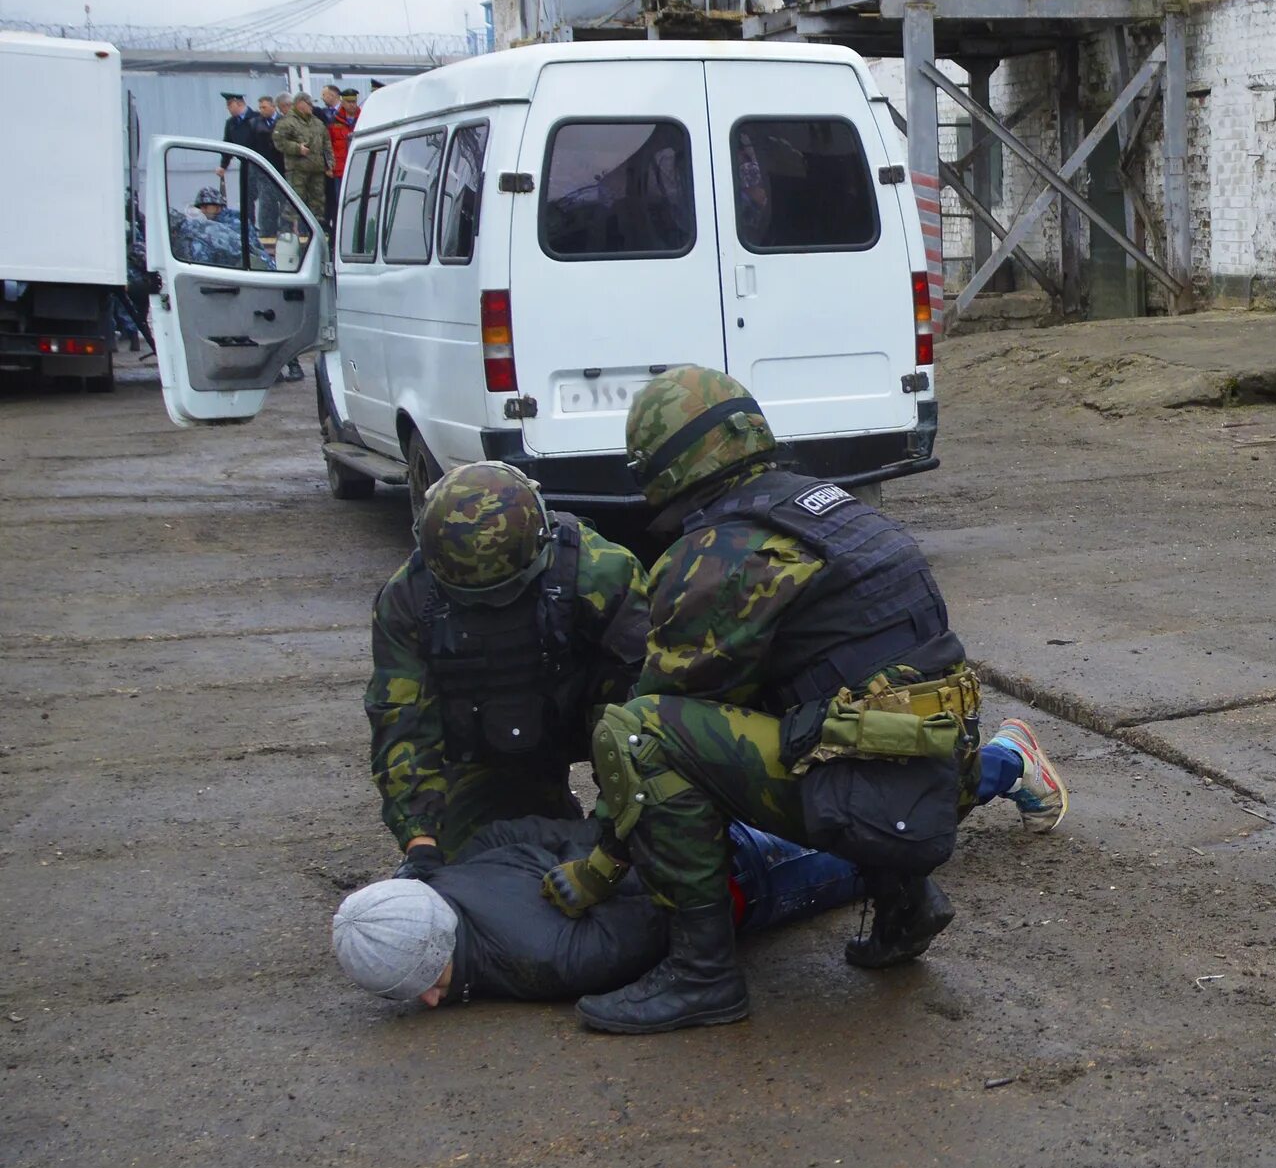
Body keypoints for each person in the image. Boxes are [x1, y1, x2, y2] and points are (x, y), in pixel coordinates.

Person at [545, 367, 1065, 1034]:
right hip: (942, 780)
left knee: (642, 732)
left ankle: (701, 976)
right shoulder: (834, 508)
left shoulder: (720, 552)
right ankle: (906, 902)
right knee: (825, 709)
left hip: (875, 798)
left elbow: (655, 716)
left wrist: (599, 864)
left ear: (663, 466)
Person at [330, 729, 1051, 1010]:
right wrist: (604, 846)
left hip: (743, 878)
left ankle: (1006, 760)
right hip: (674, 817)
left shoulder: (543, 962)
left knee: (885, 831)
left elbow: (654, 928)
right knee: (846, 798)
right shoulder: (454, 872)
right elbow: (531, 832)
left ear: (430, 989)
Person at [366, 461, 648, 880]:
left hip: (596, 721)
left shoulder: (601, 572)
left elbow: (650, 703)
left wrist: (617, 838)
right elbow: (402, 722)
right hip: (493, 741)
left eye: (507, 596)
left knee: (657, 852)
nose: (493, 612)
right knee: (476, 870)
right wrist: (420, 842)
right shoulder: (408, 599)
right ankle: (541, 802)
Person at [271, 93, 332, 224]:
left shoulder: (317, 122)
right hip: (297, 170)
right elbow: (279, 141)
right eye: (309, 103)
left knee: (318, 202)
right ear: (300, 104)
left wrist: (330, 164)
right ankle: (292, 230)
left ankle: (317, 229)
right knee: (295, 201)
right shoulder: (286, 122)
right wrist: (297, 148)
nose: (311, 106)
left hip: (317, 169)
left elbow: (326, 143)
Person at [168, 184, 244, 267]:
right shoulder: (211, 224)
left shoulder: (233, 222)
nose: (203, 211)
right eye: (201, 208)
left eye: (205, 207)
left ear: (218, 205)